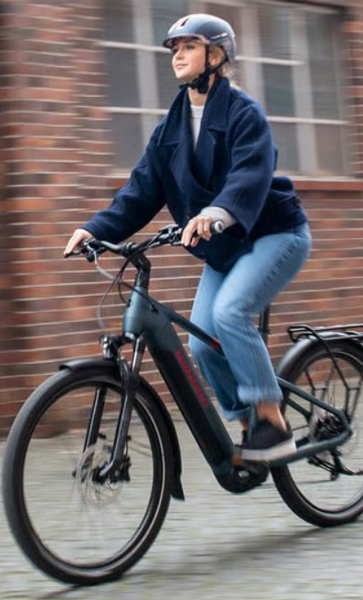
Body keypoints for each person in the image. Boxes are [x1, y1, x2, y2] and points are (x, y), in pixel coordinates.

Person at [63, 13, 312, 462]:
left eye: (189, 46)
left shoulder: (244, 113)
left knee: (230, 312)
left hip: (274, 234)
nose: (177, 54)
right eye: (174, 48)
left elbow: (250, 174)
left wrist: (216, 213)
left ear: (216, 55)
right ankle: (247, 429)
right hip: (227, 250)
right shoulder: (171, 127)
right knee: (202, 342)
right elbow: (141, 190)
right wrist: (95, 228)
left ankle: (272, 421)